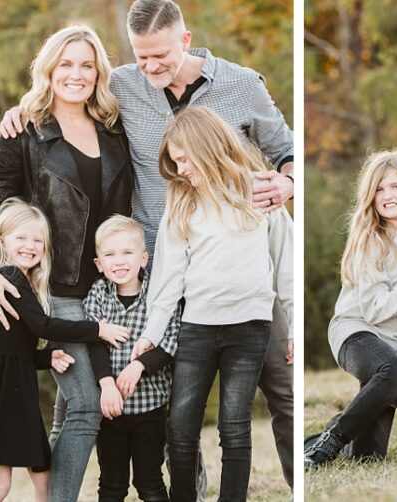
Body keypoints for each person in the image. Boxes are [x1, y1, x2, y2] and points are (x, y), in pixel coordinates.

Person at [0, 0, 296, 491]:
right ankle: (189, 492)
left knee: (278, 385)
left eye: (161, 56)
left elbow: (287, 150)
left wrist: (287, 185)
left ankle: (297, 484)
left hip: (241, 264)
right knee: (179, 393)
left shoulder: (244, 84)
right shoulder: (126, 85)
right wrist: (22, 111)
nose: (150, 67)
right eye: (141, 56)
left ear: (185, 39)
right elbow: (68, 91)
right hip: (156, 263)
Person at [0, 25, 134, 500]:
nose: (76, 74)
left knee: (74, 411)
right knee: (86, 406)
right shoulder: (24, 130)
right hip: (55, 289)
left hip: (105, 290)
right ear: (48, 69)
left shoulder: (114, 128)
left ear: (98, 72)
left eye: (86, 65)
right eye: (65, 63)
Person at [132, 106, 292, 500]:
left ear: (207, 148)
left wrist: (292, 326)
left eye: (185, 159)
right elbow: (169, 274)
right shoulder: (183, 200)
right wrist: (152, 333)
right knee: (181, 425)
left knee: (234, 426)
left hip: (250, 326)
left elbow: (285, 262)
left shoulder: (260, 189)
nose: (181, 168)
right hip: (198, 325)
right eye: (175, 161)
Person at [0, 199, 131, 502]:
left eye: (37, 240)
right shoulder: (9, 275)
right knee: (0, 485)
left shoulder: (18, 280)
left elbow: (13, 345)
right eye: (21, 238)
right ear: (2, 240)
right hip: (2, 390)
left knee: (42, 474)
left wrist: (46, 357)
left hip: (13, 382)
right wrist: (97, 330)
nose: (30, 246)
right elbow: (44, 326)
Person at [302, 150, 397, 470]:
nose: (387, 195)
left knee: (368, 457)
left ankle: (317, 441)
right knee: (396, 371)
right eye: (380, 189)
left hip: (394, 346)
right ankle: (330, 441)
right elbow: (374, 309)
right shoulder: (371, 238)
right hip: (357, 332)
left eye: (396, 186)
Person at [83, 215, 181, 502]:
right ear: (99, 264)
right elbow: (94, 342)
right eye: (110, 254)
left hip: (150, 409)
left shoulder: (158, 296)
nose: (119, 261)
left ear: (143, 257)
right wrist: (107, 384)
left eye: (127, 252)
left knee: (149, 481)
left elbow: (170, 342)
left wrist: (139, 365)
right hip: (111, 409)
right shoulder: (99, 293)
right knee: (112, 485)